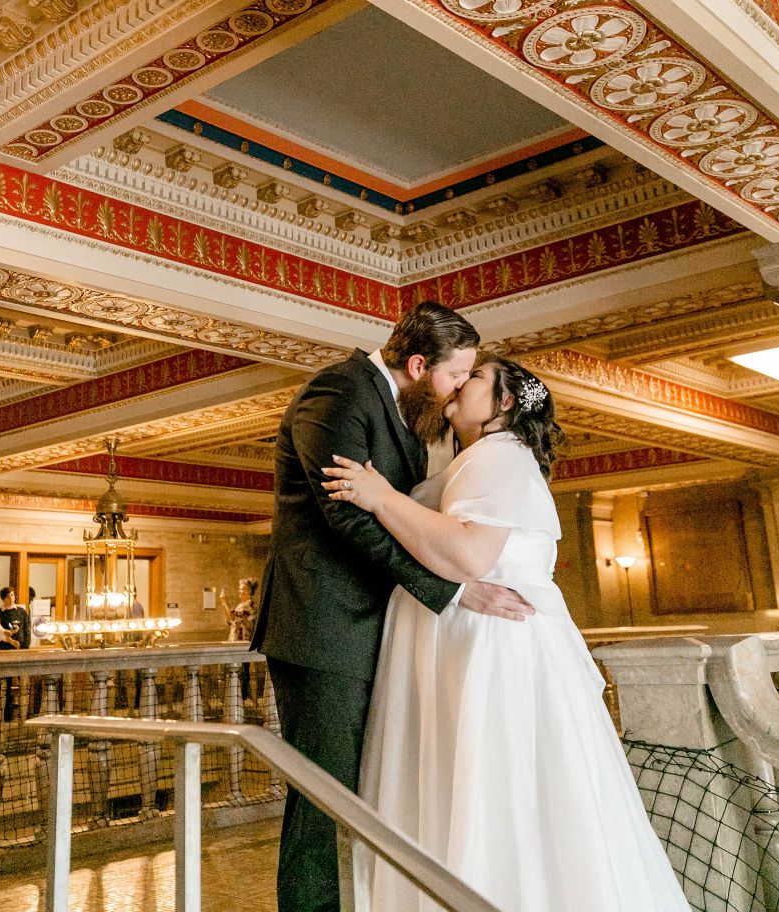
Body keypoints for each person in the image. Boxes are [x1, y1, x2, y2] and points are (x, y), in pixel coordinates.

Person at [323, 355, 693, 912]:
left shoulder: (499, 457)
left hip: (488, 649)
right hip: (470, 643)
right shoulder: (481, 460)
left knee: (485, 791)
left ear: (504, 403)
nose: (458, 382)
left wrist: (379, 497)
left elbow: (469, 553)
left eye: (475, 377)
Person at [253, 301, 535, 912]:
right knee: (323, 799)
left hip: (372, 629)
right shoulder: (338, 391)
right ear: (416, 364)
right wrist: (453, 589)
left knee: (365, 796)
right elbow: (346, 517)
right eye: (456, 375)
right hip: (324, 631)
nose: (461, 385)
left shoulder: (408, 416)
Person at [220, 577, 258, 643]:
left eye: (242, 589)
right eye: (239, 589)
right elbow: (230, 621)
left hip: (244, 643)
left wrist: (225, 601)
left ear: (249, 591)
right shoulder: (241, 605)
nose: (239, 591)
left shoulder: (250, 604)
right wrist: (223, 603)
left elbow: (232, 615)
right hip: (235, 642)